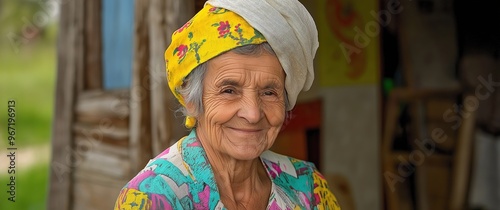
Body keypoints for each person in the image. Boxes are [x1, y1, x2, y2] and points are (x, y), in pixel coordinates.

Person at [114, 0, 341, 209]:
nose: (252, 113)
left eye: (269, 92)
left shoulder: (307, 186)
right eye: (229, 91)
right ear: (192, 101)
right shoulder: (152, 197)